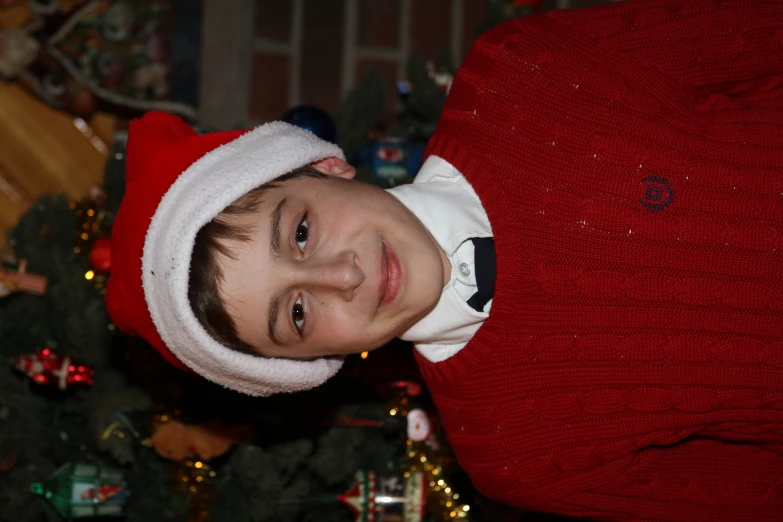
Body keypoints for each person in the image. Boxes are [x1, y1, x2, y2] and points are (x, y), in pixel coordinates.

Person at [106, 0, 783, 520]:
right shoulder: (517, 454)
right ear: (307, 366)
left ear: (324, 164)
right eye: (297, 311)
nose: (344, 278)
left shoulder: (526, 77)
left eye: (302, 232)